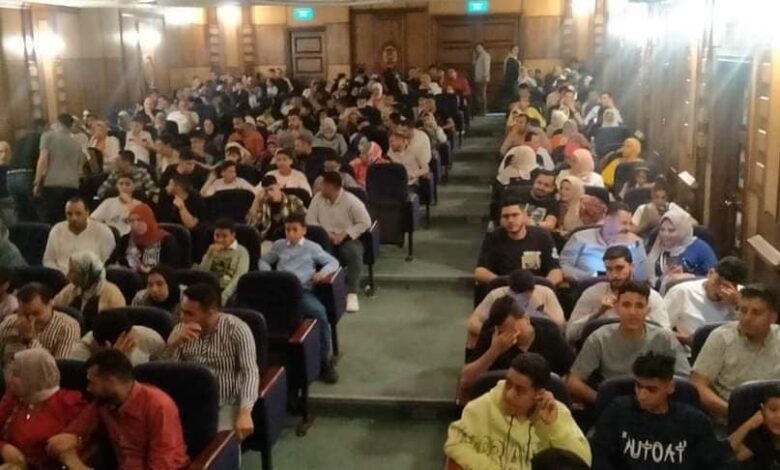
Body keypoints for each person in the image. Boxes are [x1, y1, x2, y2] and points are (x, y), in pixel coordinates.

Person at [48, 349, 190, 469]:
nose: (88, 389)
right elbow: (60, 440)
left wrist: (74, 462)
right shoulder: (104, 402)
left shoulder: (159, 406)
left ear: (111, 381)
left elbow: (162, 465)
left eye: (92, 382)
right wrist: (72, 453)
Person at [445, 353, 592, 469]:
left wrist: (553, 427)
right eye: (508, 384)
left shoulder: (556, 413)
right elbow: (454, 445)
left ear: (538, 394)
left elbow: (582, 462)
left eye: (520, 390)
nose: (509, 394)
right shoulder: (483, 406)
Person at [592, 352, 733, 469]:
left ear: (670, 387)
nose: (642, 396)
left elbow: (716, 462)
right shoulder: (618, 411)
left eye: (652, 389)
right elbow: (600, 457)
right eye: (638, 386)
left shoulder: (693, 421)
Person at [566, 281, 690, 405]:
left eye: (639, 306)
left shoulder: (665, 338)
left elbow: (684, 379)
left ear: (648, 310)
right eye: (626, 305)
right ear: (616, 308)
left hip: (656, 402)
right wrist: (601, 400)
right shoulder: (599, 338)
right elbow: (573, 382)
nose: (632, 312)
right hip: (614, 403)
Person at [165, 283, 257, 438]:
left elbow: (249, 372)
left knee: (218, 445)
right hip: (189, 401)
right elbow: (167, 373)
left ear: (211, 313)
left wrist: (245, 412)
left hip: (225, 402)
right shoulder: (180, 331)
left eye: (189, 313)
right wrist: (172, 345)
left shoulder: (237, 329)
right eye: (182, 311)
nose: (182, 318)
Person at [260, 213, 340, 382]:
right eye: (287, 230)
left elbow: (333, 262)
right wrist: (270, 274)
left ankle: (324, 361)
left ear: (303, 230)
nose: (290, 233)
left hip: (301, 292)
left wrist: (322, 273)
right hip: (279, 291)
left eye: (294, 230)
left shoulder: (312, 247)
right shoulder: (279, 245)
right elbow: (263, 261)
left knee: (320, 314)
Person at [692, 284, 780, 422]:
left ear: (773, 318)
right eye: (743, 310)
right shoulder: (721, 337)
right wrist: (733, 413)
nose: (747, 318)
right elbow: (698, 386)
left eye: (756, 313)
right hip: (730, 418)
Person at [461, 295, 574, 396]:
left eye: (512, 328)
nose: (508, 335)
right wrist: (494, 350)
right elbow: (465, 380)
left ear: (526, 318)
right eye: (502, 331)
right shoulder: (492, 336)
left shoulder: (549, 331)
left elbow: (570, 374)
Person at [0, 349, 86, 469]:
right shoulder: (14, 397)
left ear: (34, 376)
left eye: (17, 375)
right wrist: (3, 447)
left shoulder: (69, 403)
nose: (9, 379)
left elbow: (81, 444)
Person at [567, 246, 669, 343]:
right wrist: (598, 312)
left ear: (632, 267)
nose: (614, 275)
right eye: (609, 269)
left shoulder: (651, 297)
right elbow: (570, 334)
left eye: (619, 268)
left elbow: (666, 337)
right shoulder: (592, 293)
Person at [306, 172, 371, 313]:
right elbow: (310, 220)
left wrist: (345, 234)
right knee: (314, 253)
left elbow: (365, 222)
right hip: (325, 237)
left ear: (332, 187)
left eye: (323, 185)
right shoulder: (317, 198)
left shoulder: (351, 201)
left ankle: (352, 293)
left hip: (348, 238)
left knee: (354, 253)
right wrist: (327, 234)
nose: (320, 187)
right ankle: (319, 292)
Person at [475, 199, 564, 287]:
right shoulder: (493, 237)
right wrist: (503, 283)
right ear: (500, 220)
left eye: (515, 215)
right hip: (504, 288)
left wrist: (543, 287)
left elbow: (556, 272)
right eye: (505, 216)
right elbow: (480, 271)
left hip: (536, 288)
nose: (510, 220)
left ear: (525, 216)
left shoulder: (542, 236)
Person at [468, 269, 565, 347]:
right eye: (515, 293)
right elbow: (472, 322)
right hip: (505, 341)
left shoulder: (546, 293)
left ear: (532, 289)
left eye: (524, 294)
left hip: (538, 341)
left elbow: (560, 325)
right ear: (509, 288)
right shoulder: (496, 295)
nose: (519, 297)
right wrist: (496, 334)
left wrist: (540, 308)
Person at [663, 256, 747, 346]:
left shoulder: (742, 295)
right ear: (710, 273)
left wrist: (738, 305)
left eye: (727, 287)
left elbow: (749, 332)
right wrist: (685, 339)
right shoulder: (682, 292)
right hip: (688, 348)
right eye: (717, 282)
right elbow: (660, 327)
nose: (719, 290)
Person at [560, 202, 650, 282]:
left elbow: (643, 277)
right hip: (586, 287)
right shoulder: (580, 237)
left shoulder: (635, 243)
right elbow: (564, 267)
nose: (628, 228)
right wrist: (593, 276)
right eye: (624, 223)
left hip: (624, 290)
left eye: (630, 224)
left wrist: (634, 247)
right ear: (608, 220)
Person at [0, 283, 80, 365]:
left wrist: (30, 340)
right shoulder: (10, 322)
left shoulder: (67, 327)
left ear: (50, 305)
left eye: (36, 314)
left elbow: (58, 368)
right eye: (24, 314)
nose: (30, 319)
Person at [42, 197, 116, 274]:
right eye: (69, 214)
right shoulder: (57, 230)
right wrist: (62, 274)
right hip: (61, 275)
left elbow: (108, 264)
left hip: (91, 276)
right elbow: (48, 261)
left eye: (78, 214)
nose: (73, 218)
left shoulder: (103, 232)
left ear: (87, 213)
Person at [53, 251, 126, 327]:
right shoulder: (71, 288)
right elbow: (54, 306)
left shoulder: (113, 295)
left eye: (73, 271)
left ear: (87, 275)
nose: (67, 275)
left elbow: (116, 325)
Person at [647, 211, 717, 290]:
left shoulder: (701, 248)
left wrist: (689, 277)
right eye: (662, 230)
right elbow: (646, 278)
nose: (665, 234)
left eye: (671, 231)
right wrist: (663, 278)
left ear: (683, 231)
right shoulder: (657, 245)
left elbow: (715, 278)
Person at [69, 308, 165, 365]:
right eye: (129, 342)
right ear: (107, 345)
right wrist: (115, 359)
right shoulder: (81, 352)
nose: (135, 339)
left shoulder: (150, 338)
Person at [33, 114, 83, 224]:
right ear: (71, 126)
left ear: (58, 123)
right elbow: (80, 171)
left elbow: (43, 159)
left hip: (53, 184)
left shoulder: (47, 136)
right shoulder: (77, 145)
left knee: (52, 222)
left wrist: (37, 182)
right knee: (67, 221)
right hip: (72, 185)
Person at [110, 203, 180, 273]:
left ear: (148, 220)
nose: (135, 224)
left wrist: (152, 270)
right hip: (128, 277)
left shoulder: (167, 240)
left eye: (140, 220)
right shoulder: (126, 239)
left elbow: (172, 269)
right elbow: (111, 262)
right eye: (132, 221)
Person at [247, 175, 307, 252]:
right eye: (266, 191)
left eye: (271, 189)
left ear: (278, 186)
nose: (269, 193)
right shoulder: (263, 204)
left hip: (290, 238)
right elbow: (250, 225)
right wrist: (256, 200)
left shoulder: (293, 200)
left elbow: (305, 220)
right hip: (269, 241)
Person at [197, 218, 250, 305]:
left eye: (224, 236)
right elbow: (201, 274)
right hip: (210, 288)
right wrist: (209, 255)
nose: (219, 240)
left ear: (233, 235)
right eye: (217, 235)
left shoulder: (241, 252)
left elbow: (239, 277)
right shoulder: (211, 250)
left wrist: (225, 295)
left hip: (229, 289)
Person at [729, 384, 780, 467]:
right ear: (762, 410)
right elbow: (722, 458)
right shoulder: (759, 439)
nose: (778, 416)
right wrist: (748, 424)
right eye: (773, 409)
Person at [473, 43, 491, 116]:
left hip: (482, 78)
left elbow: (486, 67)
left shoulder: (485, 55)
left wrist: (485, 76)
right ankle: (480, 110)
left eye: (479, 47)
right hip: (478, 78)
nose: (478, 49)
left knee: (482, 95)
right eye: (477, 48)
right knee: (479, 95)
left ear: (482, 47)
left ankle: (483, 111)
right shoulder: (478, 56)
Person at [502, 45, 521, 109]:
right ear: (511, 50)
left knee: (514, 97)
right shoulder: (508, 59)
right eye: (515, 49)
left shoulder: (517, 60)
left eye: (517, 49)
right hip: (510, 80)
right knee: (510, 97)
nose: (516, 51)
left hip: (515, 80)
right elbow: (505, 70)